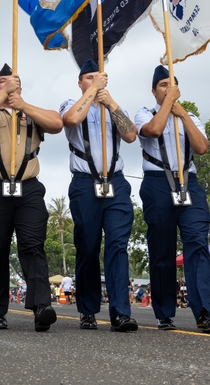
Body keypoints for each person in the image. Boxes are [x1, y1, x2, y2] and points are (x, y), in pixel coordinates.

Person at [0, 64, 62, 332]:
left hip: (29, 188)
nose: (9, 84)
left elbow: (56, 124)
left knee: (33, 246)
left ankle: (41, 306)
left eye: (14, 81)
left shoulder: (31, 112)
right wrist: (2, 95)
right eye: (2, 81)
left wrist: (22, 103)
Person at [135, 66, 210, 333]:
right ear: (154, 91)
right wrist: (167, 104)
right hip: (158, 183)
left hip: (189, 183)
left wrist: (181, 112)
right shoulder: (144, 113)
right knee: (162, 249)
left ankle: (205, 313)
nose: (168, 88)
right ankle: (164, 312)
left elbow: (202, 147)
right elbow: (152, 131)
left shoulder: (191, 116)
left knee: (197, 244)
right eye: (163, 85)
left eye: (172, 84)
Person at [61, 59, 139, 333]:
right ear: (80, 82)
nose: (95, 80)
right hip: (85, 184)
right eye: (89, 77)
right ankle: (88, 309)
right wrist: (92, 92)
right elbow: (70, 120)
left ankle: (120, 312)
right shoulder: (72, 103)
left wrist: (111, 103)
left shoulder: (114, 106)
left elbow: (131, 135)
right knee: (88, 246)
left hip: (115, 182)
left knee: (118, 245)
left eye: (99, 77)